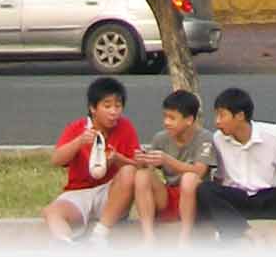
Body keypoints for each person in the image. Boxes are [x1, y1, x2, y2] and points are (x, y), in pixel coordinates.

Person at [195, 86, 276, 237]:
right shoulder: (218, 139)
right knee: (205, 189)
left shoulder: (274, 135)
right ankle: (248, 234)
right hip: (240, 199)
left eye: (222, 116)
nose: (217, 122)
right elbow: (220, 177)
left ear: (240, 116)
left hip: (271, 197)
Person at [44, 75, 150, 241]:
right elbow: (56, 160)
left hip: (111, 194)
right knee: (52, 211)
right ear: (93, 108)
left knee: (129, 171)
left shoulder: (126, 127)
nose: (113, 112)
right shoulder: (78, 128)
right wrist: (79, 142)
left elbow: (137, 167)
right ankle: (65, 244)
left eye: (118, 106)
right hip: (79, 192)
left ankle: (101, 233)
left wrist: (117, 159)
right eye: (107, 106)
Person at [133, 88, 216, 241]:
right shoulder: (160, 138)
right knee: (141, 175)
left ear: (189, 120)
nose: (166, 122)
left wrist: (166, 160)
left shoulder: (205, 138)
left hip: (195, 197)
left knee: (189, 178)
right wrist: (142, 162)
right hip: (168, 196)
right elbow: (149, 171)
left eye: (172, 118)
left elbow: (199, 171)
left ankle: (185, 236)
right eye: (165, 117)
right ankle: (148, 235)